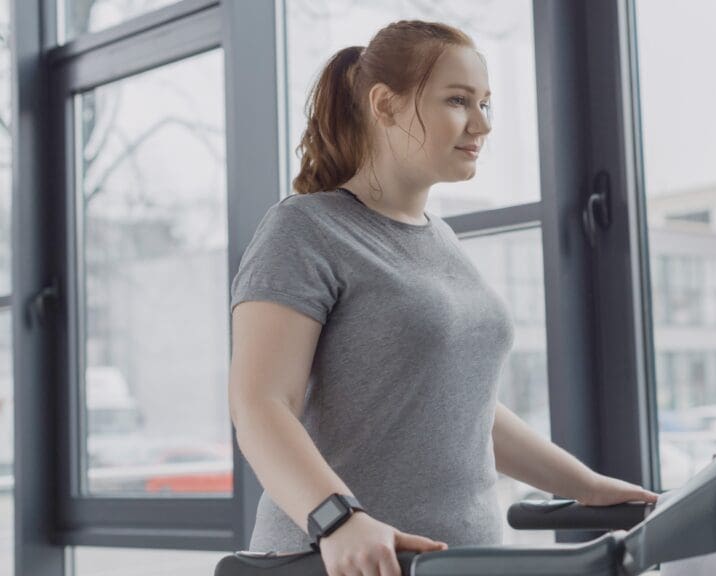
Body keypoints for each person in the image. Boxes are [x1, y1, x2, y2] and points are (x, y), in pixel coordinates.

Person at [228, 20, 657, 576]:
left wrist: (587, 486)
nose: (481, 123)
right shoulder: (304, 229)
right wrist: (337, 519)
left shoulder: (442, 238)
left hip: (468, 561)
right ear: (385, 104)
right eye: (458, 101)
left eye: (485, 103)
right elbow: (260, 403)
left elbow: (467, 406)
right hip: (344, 562)